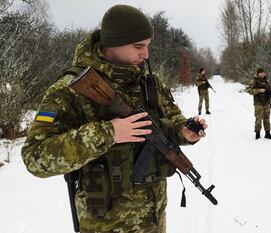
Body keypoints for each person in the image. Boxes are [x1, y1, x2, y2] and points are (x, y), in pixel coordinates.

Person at [21, 5, 207, 233]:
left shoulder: (149, 82)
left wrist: (183, 131)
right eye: (138, 46)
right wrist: (108, 133)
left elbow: (170, 119)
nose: (146, 55)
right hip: (104, 226)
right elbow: (35, 157)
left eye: (148, 46)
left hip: (154, 222)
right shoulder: (69, 90)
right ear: (112, 43)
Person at [247, 68, 271, 140]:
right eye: (261, 73)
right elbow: (249, 90)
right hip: (258, 103)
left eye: (263, 72)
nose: (262, 74)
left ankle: (267, 134)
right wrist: (259, 90)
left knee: (267, 119)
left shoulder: (266, 81)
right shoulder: (254, 81)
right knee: (258, 119)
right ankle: (257, 135)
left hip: (267, 102)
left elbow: (269, 91)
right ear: (258, 74)